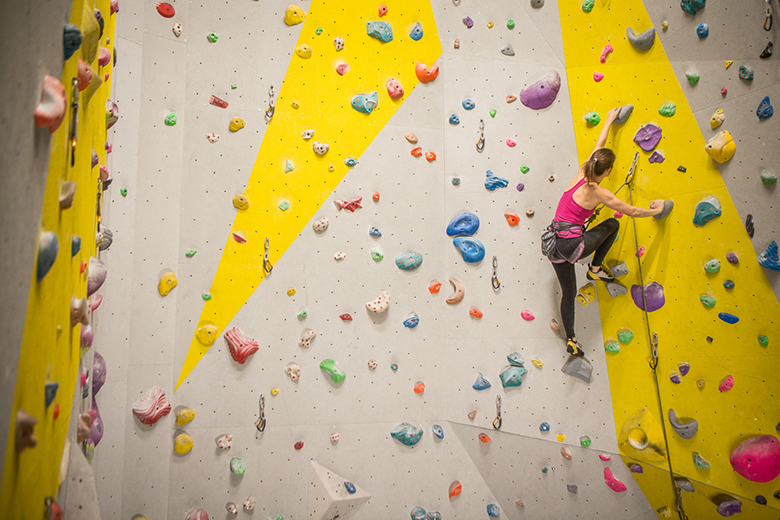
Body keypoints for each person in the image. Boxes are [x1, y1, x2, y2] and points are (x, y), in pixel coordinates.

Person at [549, 107, 665, 357]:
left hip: (553, 245)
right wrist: (656, 211)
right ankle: (595, 268)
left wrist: (610, 119)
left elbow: (598, 144)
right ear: (608, 172)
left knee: (569, 292)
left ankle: (571, 338)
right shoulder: (598, 192)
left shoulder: (582, 171)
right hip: (572, 244)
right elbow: (631, 211)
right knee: (613, 224)